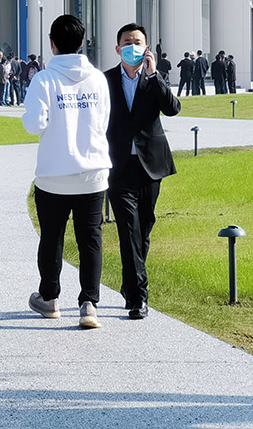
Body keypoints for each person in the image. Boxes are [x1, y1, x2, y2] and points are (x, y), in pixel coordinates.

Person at [23, 14, 111, 330]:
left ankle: (49, 298)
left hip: (54, 174)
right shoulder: (98, 79)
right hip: (93, 172)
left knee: (52, 237)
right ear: (82, 42)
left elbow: (35, 124)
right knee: (91, 239)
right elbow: (103, 121)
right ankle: (89, 304)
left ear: (52, 44)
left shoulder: (44, 80)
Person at [104, 22, 180, 320]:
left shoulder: (154, 78)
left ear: (146, 48)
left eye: (137, 42)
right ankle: (139, 297)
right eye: (127, 42)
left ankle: (130, 283)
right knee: (128, 230)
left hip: (151, 165)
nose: (132, 47)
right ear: (117, 48)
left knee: (144, 229)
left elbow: (173, 108)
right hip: (119, 166)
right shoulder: (106, 80)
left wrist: (154, 74)